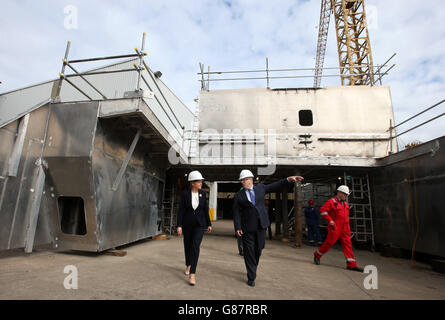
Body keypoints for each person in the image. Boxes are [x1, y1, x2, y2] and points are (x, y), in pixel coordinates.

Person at [233, 169, 304, 287]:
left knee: (259, 249)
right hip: (247, 227)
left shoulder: (260, 188)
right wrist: (238, 227)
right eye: (241, 180)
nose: (243, 182)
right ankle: (251, 276)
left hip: (261, 225)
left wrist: (288, 179)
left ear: (251, 179)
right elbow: (236, 213)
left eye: (245, 180)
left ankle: (253, 266)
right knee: (249, 251)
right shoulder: (238, 196)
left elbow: (275, 185)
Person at [313, 185, 363, 272]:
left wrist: (347, 227)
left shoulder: (345, 204)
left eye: (347, 195)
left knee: (348, 245)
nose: (346, 196)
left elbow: (345, 216)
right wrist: (330, 220)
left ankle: (351, 265)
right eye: (345, 194)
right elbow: (323, 210)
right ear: (339, 193)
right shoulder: (332, 202)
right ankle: (317, 254)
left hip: (345, 228)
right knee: (329, 243)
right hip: (335, 227)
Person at [177, 170, 212, 285]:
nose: (201, 183)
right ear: (192, 183)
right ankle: (188, 264)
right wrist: (179, 225)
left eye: (201, 181)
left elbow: (205, 210)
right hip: (187, 225)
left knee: (195, 246)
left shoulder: (203, 194)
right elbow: (181, 211)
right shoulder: (185, 194)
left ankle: (192, 274)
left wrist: (209, 223)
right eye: (199, 181)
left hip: (199, 225)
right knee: (187, 245)